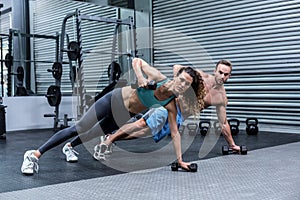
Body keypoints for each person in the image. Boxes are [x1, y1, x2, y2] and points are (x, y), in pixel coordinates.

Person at [21, 58, 204, 175]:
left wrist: (180, 161)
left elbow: (175, 133)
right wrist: (140, 78)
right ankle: (34, 155)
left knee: (93, 134)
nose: (182, 85)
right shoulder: (160, 79)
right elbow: (137, 61)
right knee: (80, 127)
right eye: (181, 80)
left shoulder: (171, 104)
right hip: (112, 100)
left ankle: (69, 146)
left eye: (187, 85)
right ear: (176, 77)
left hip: (125, 114)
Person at [63, 59, 240, 162]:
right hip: (169, 105)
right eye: (220, 72)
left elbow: (223, 122)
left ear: (229, 76)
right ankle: (108, 142)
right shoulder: (200, 76)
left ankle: (110, 137)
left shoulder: (221, 98)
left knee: (144, 132)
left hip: (179, 117)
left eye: (226, 74)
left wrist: (232, 144)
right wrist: (177, 87)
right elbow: (177, 68)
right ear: (215, 70)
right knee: (142, 124)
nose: (222, 77)